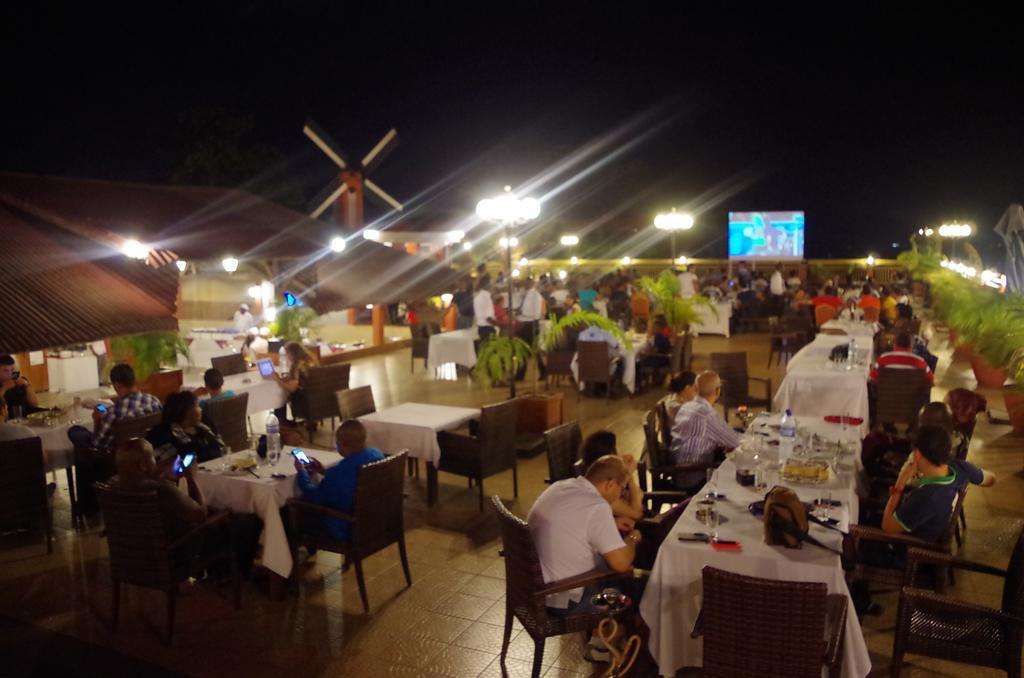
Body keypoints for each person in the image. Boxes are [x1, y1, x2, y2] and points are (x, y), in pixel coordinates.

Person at [527, 455, 641, 661]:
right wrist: (633, 538)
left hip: (531, 590)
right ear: (610, 484)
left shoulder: (561, 486)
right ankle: (605, 644)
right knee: (633, 588)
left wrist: (612, 524)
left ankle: (601, 638)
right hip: (562, 600)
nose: (619, 495)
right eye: (621, 489)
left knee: (614, 574)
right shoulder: (597, 507)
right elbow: (622, 562)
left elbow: (574, 523)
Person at [293, 420, 385, 541]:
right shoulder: (377, 455)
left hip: (344, 527)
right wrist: (323, 471)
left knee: (289, 512)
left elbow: (314, 497)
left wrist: (301, 472)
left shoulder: (338, 472)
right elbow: (350, 479)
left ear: (341, 443)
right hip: (373, 522)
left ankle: (286, 556)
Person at [67, 363, 162, 454]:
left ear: (116, 385)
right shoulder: (154, 401)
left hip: (117, 457)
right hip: (147, 451)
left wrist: (97, 421)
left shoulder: (113, 412)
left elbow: (98, 444)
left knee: (75, 431)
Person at [669, 371, 741, 491]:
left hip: (678, 471)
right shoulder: (706, 415)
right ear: (717, 391)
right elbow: (735, 442)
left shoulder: (686, 407)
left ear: (696, 388)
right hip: (693, 476)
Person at [579, 432, 644, 527]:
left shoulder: (610, 477)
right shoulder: (604, 488)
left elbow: (640, 493)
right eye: (618, 451)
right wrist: (628, 474)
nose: (621, 454)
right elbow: (637, 513)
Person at [147, 391, 227, 463]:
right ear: (188, 411)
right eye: (197, 406)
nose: (201, 409)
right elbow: (182, 461)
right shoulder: (163, 434)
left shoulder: (204, 424)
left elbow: (222, 448)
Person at [272, 342, 318, 422]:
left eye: (287, 354)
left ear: (292, 353)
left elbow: (292, 388)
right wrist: (285, 378)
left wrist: (277, 380)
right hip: (316, 398)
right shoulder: (310, 361)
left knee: (279, 398)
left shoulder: (297, 365)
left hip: (303, 402)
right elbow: (301, 378)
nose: (286, 357)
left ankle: (282, 424)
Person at [517, 277, 544, 345]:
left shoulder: (536, 295)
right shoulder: (525, 293)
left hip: (530, 323)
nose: (525, 285)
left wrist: (523, 313)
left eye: (527, 283)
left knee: (529, 343)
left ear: (531, 284)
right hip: (523, 322)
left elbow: (537, 313)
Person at [473, 275, 499, 340]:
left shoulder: (478, 297)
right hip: (487, 329)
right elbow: (488, 318)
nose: (493, 286)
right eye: (492, 283)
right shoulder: (486, 297)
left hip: (481, 328)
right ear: (488, 285)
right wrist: (501, 324)